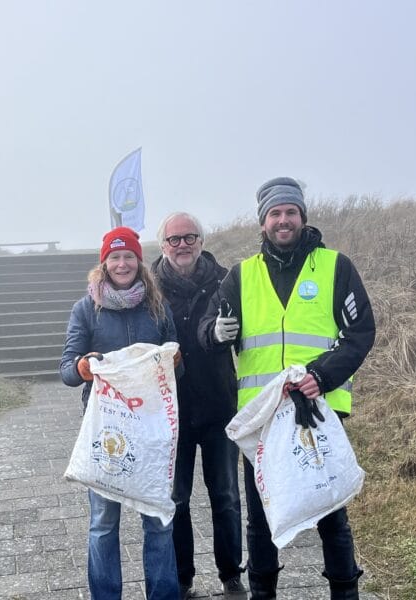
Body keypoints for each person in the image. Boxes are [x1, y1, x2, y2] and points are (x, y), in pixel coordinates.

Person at [199, 177, 376, 600]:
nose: (283, 220)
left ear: (302, 217)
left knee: (330, 508)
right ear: (263, 223)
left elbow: (360, 331)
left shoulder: (336, 267)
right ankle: (263, 593)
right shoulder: (241, 276)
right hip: (262, 415)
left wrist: (323, 375)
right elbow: (206, 329)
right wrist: (215, 333)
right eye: (275, 214)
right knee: (260, 515)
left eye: (290, 212)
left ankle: (345, 591)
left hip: (317, 408)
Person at [59, 226, 181, 600]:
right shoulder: (86, 309)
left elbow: (178, 366)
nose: (123, 263)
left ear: (138, 262)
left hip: (152, 430)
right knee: (102, 523)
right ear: (104, 263)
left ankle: (163, 594)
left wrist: (174, 361)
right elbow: (65, 369)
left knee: (159, 519)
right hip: (106, 433)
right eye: (115, 257)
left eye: (129, 256)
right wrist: (82, 366)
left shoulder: (158, 306)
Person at [150, 213, 247, 599]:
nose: (182, 245)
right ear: (163, 246)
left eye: (190, 237)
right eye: (174, 239)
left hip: (219, 403)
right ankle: (183, 578)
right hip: (170, 411)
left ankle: (231, 574)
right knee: (177, 498)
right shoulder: (149, 287)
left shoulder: (226, 280)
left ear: (202, 242)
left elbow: (240, 328)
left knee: (225, 493)